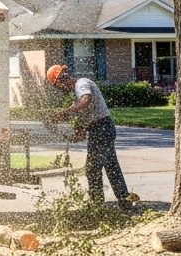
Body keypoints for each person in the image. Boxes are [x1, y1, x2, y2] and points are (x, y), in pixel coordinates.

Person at [43, 64, 138, 209]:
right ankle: (123, 200)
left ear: (62, 80)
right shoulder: (76, 98)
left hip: (102, 128)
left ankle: (97, 204)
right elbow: (81, 129)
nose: (61, 89)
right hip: (100, 130)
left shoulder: (82, 84)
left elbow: (86, 100)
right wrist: (68, 134)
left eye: (59, 86)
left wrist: (64, 113)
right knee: (110, 166)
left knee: (93, 168)